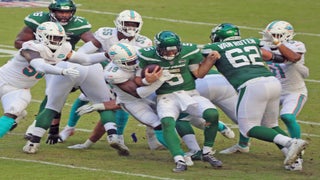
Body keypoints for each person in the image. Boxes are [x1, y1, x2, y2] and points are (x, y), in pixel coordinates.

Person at [201, 23, 308, 169]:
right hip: (273, 83)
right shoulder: (252, 42)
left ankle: (291, 142)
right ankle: (295, 161)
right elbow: (275, 57)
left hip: (251, 85)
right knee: (271, 125)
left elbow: (201, 73)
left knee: (248, 128)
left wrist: (208, 60)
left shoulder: (215, 48)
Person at [58, 9, 164, 150]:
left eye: (134, 24)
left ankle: (119, 136)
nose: (131, 27)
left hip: (127, 77)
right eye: (128, 23)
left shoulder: (144, 42)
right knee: (84, 97)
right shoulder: (106, 35)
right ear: (119, 23)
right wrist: (104, 59)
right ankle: (69, 128)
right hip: (103, 70)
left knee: (126, 103)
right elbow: (84, 52)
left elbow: (146, 64)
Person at [136, 30, 223, 172]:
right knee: (167, 122)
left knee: (212, 114)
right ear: (158, 48)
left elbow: (199, 74)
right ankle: (179, 159)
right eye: (167, 51)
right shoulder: (146, 55)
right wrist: (146, 80)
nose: (171, 54)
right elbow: (137, 80)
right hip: (166, 97)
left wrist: (210, 60)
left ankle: (207, 152)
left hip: (190, 94)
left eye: (174, 50)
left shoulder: (189, 51)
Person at [14, 0, 101, 137]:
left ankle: (35, 127)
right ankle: (17, 113)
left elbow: (95, 43)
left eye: (67, 12)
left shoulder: (78, 24)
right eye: (61, 11)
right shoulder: (38, 20)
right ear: (52, 12)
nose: (64, 15)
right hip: (36, 57)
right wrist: (38, 48)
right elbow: (18, 42)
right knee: (16, 86)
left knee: (51, 93)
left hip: (60, 60)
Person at [0, 21, 83, 138]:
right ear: (41, 36)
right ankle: (19, 116)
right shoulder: (31, 46)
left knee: (14, 111)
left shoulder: (62, 50)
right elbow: (39, 66)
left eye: (59, 38)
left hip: (19, 89)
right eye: (53, 38)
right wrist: (62, 71)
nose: (57, 41)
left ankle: (16, 117)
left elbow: (86, 59)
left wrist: (106, 55)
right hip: (2, 78)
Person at [261, 20, 308, 171]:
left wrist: (277, 44)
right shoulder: (266, 45)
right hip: (275, 89)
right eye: (270, 35)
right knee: (260, 119)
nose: (271, 38)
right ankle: (243, 145)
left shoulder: (296, 45)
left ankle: (297, 155)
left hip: (294, 92)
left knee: (287, 116)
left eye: (275, 35)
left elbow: (294, 58)